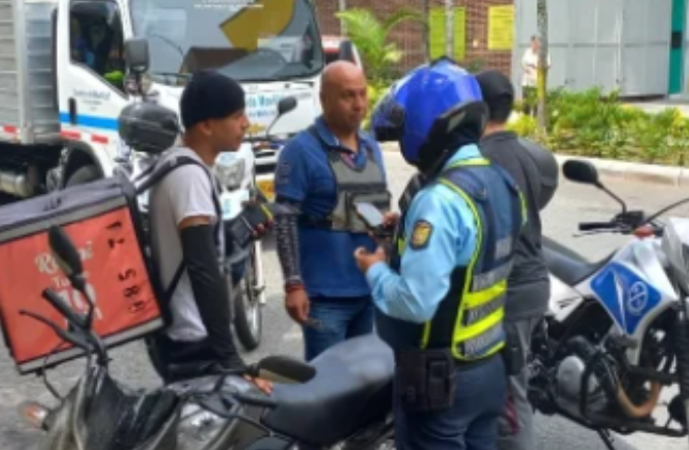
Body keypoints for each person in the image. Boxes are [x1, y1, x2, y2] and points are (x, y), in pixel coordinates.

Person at [355, 59, 525, 450]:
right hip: (489, 368)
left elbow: (416, 303)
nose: (402, 145)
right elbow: (477, 249)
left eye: (402, 133)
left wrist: (375, 269)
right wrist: (406, 232)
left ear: (424, 125)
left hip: (440, 381)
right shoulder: (502, 183)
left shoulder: (439, 200)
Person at [143, 70, 270, 392]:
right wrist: (229, 357)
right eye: (237, 115)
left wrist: (239, 230)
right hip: (192, 339)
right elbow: (202, 267)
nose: (246, 123)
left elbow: (203, 248)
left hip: (183, 334)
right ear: (207, 125)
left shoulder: (179, 164)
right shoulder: (189, 176)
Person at [273, 61, 391, 361]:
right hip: (325, 299)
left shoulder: (370, 147)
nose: (359, 104)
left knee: (367, 384)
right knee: (327, 389)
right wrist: (293, 284)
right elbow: (284, 219)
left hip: (370, 290)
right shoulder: (300, 150)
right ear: (324, 98)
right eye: (347, 96)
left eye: (363, 94)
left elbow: (374, 211)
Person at [474, 70, 560, 450]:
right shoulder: (524, 153)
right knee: (511, 386)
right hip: (533, 284)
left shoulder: (487, 159)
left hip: (511, 290)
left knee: (510, 399)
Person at [521, 36, 550, 116]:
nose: (534, 45)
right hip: (526, 82)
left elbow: (548, 65)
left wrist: (537, 66)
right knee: (526, 103)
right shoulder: (527, 52)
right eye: (532, 43)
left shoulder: (543, 53)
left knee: (536, 105)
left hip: (538, 82)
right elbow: (523, 63)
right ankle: (525, 120)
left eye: (536, 43)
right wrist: (526, 68)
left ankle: (536, 121)